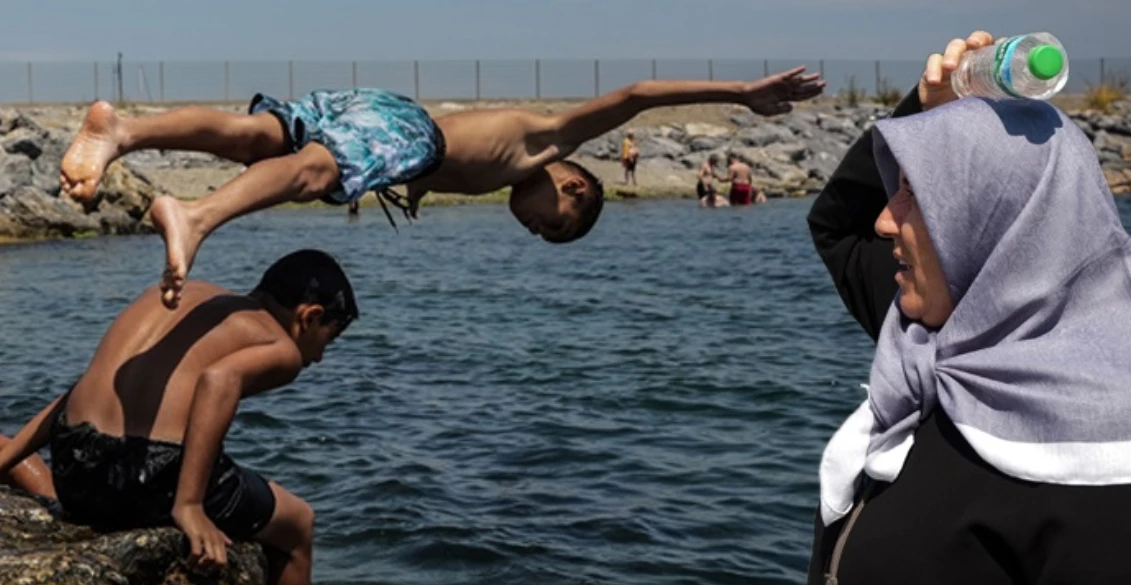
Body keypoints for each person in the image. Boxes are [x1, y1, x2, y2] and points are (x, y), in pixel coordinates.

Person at [765, 31, 1131, 585]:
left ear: (993, 222)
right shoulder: (930, 339)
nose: (886, 221)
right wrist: (925, 107)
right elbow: (838, 222)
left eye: (917, 195)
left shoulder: (1111, 441)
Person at [59, 68, 825, 308]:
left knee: (258, 136)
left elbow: (448, 162)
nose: (538, 231)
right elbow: (638, 92)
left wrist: (417, 189)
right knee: (317, 172)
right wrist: (742, 91)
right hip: (406, 128)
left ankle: (120, 133)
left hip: (385, 116)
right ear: (574, 185)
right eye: (555, 224)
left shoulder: (503, 172)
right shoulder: (553, 140)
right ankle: (194, 217)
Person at [0, 249, 358, 585]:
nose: (321, 356)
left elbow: (85, 388)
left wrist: (10, 457)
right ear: (310, 317)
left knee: (101, 490)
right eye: (329, 338)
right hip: (150, 480)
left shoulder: (178, 296)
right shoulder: (282, 348)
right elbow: (219, 380)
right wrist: (190, 506)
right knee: (299, 525)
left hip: (74, 462)